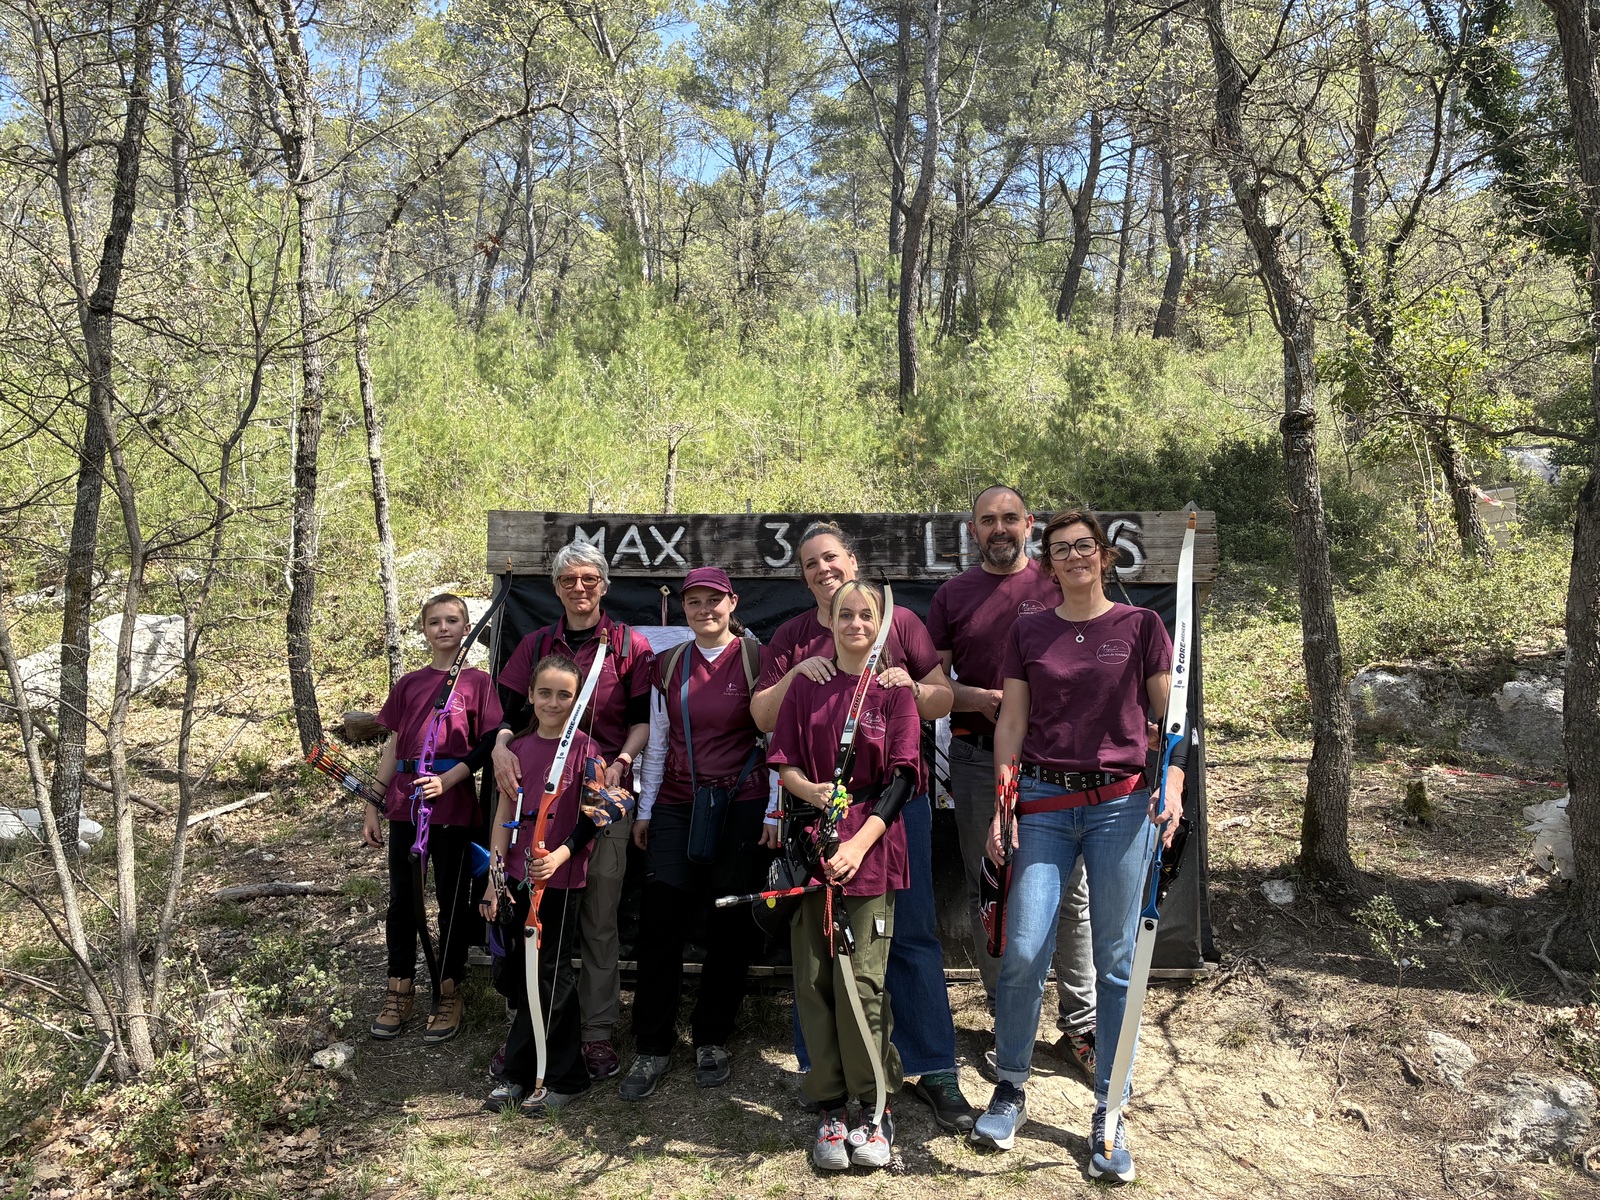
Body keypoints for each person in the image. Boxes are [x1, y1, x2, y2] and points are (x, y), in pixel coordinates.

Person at [971, 510, 1185, 1185]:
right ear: (1048, 561)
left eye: (1083, 546)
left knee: (1116, 964)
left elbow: (1172, 721)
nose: (1073, 557)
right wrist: (1004, 803)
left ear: (1104, 555)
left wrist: (1174, 783)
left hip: (1122, 806)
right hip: (1042, 803)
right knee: (1024, 950)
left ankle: (1110, 1109)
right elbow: (1012, 722)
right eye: (1060, 549)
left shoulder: (1141, 626)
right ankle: (1010, 1087)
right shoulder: (1029, 630)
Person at [751, 521, 977, 1132]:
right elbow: (763, 716)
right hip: (816, 817)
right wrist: (800, 674)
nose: (822, 570)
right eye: (810, 564)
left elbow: (941, 697)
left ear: (852, 562)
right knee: (818, 946)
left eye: (831, 558)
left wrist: (911, 688)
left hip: (893, 809)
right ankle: (822, 1073)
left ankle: (933, 1068)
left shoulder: (898, 621)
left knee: (911, 934)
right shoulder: (792, 636)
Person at [927, 485, 1097, 1082]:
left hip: (1058, 764)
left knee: (1072, 893)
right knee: (992, 887)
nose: (998, 528)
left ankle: (1082, 1027)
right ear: (973, 530)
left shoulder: (1059, 582)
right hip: (979, 761)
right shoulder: (952, 596)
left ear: (1029, 524)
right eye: (986, 520)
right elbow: (934, 686)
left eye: (1009, 518)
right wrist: (982, 699)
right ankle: (1008, 1016)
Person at [768, 581, 919, 1170]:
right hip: (812, 851)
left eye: (867, 615)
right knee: (814, 980)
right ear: (829, 622)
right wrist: (809, 791)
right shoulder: (807, 686)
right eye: (845, 615)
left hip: (868, 851)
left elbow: (902, 780)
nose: (856, 624)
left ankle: (874, 1106)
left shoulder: (894, 690)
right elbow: (784, 763)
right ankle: (831, 1105)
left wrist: (858, 844)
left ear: (881, 624)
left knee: (863, 984)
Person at [491, 543, 655, 1081]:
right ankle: (527, 1029)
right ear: (556, 587)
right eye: (568, 580)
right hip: (540, 800)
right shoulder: (538, 643)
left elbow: (642, 720)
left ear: (604, 584)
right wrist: (500, 748)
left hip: (599, 799)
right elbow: (505, 714)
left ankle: (596, 1031)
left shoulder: (629, 644)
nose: (579, 588)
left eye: (589, 579)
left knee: (599, 919)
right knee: (533, 921)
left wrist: (622, 761)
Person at [621, 566, 772, 1099]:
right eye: (694, 602)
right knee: (660, 919)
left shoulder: (758, 659)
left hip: (743, 802)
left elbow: (777, 739)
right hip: (677, 802)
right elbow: (659, 740)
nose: (704, 610)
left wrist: (774, 812)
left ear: (732, 603)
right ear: (683, 609)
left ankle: (712, 1036)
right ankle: (652, 1044)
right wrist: (645, 809)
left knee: (730, 921)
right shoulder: (668, 664)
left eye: (714, 600)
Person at [481, 654, 616, 1117]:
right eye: (545, 693)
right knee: (524, 976)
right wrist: (495, 880)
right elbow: (504, 816)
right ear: (531, 696)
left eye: (564, 695)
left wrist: (559, 856)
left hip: (560, 880)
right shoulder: (517, 749)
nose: (553, 703)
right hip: (518, 878)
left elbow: (595, 817)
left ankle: (564, 1076)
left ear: (577, 701)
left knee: (552, 976)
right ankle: (521, 1071)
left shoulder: (586, 749)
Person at [365, 593, 502, 1044]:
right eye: (435, 622)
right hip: (406, 804)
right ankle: (399, 987)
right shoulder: (409, 683)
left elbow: (487, 744)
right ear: (424, 630)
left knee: (450, 899)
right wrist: (373, 802)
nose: (444, 628)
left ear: (466, 628)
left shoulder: (478, 683)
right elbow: (395, 745)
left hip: (453, 805)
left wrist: (449, 780)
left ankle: (448, 990)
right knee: (403, 900)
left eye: (453, 620)